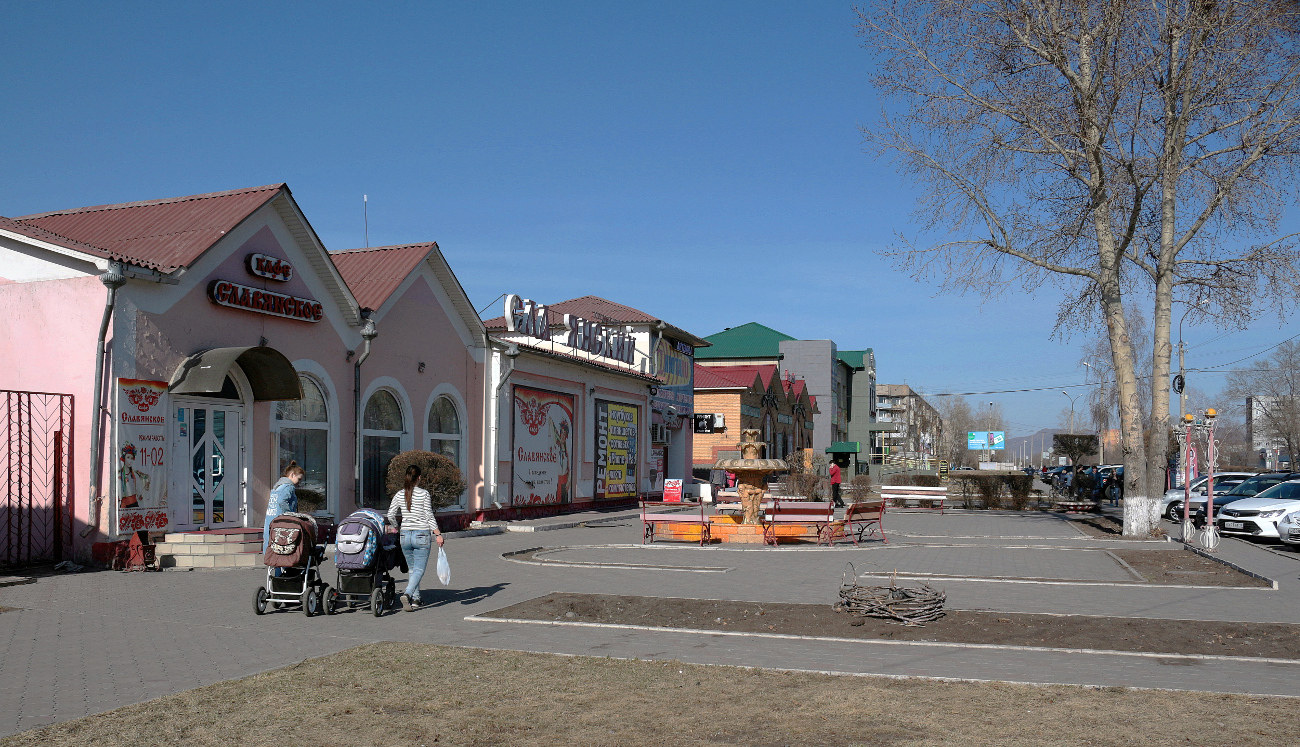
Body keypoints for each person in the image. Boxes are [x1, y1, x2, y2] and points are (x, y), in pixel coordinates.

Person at [387, 464, 444, 611]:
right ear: (419, 477)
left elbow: (390, 514)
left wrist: (396, 527)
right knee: (419, 570)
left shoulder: (400, 494)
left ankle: (416, 600)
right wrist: (437, 534)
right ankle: (407, 593)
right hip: (421, 534)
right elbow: (428, 515)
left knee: (413, 569)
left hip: (405, 535)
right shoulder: (423, 494)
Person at [264, 462, 304, 552]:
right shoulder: (289, 487)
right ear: (292, 474)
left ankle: (271, 562)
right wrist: (290, 514)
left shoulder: (276, 487)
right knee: (282, 546)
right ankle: (282, 565)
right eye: (299, 479)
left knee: (270, 543)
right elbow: (282, 501)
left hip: (270, 519)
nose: (299, 482)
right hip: (281, 522)